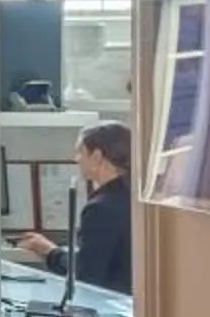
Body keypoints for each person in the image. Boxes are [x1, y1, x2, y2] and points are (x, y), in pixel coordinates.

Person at [22, 121, 133, 295]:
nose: (76, 159)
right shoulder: (134, 197)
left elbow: (85, 274)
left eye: (80, 152)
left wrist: (49, 252)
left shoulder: (100, 209)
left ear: (96, 156)